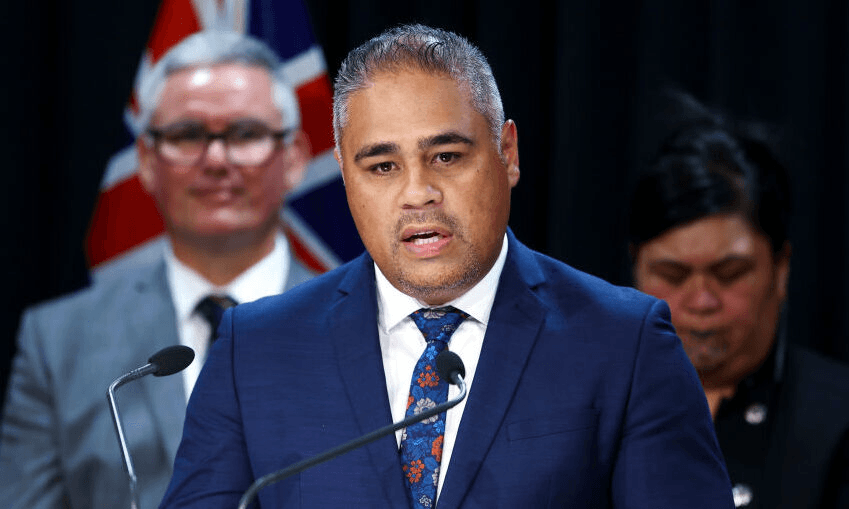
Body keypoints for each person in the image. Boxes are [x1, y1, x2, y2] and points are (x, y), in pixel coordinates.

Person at [160, 25, 734, 508]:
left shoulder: (625, 344)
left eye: (446, 157)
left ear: (507, 154)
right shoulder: (253, 352)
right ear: (343, 174)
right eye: (382, 166)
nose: (418, 193)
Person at [0, 30, 315, 509]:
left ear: (293, 158)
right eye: (188, 135)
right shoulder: (56, 341)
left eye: (245, 133)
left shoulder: (370, 323)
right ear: (146, 161)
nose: (215, 160)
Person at [629, 97, 849, 508]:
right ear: (636, 268)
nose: (701, 301)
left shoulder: (837, 420)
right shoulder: (581, 406)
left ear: (780, 269)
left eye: (730, 274)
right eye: (672, 275)